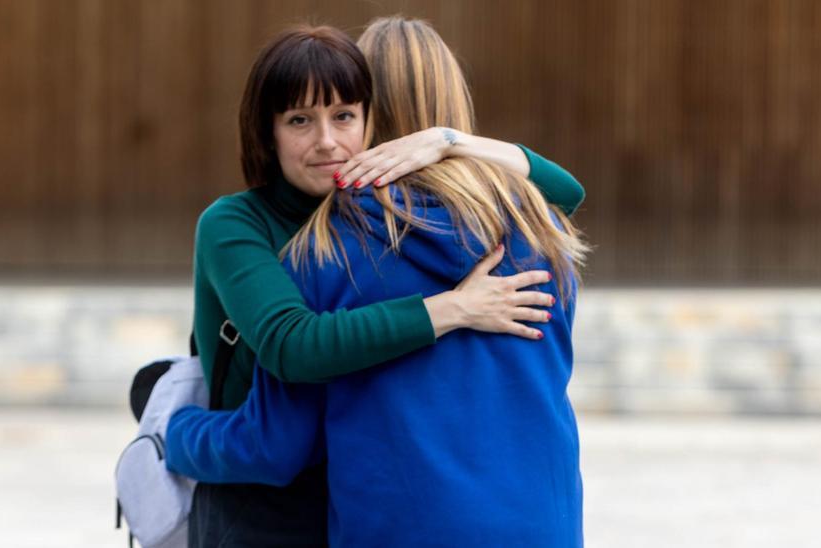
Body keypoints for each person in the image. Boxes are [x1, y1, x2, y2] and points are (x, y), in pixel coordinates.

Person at [171, 17, 588, 546]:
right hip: (545, 524)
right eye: (300, 120)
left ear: (372, 115)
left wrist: (174, 432)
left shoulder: (326, 249)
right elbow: (566, 194)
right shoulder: (543, 231)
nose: (327, 141)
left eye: (344, 114)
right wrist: (453, 307)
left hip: (378, 521)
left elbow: (277, 440)